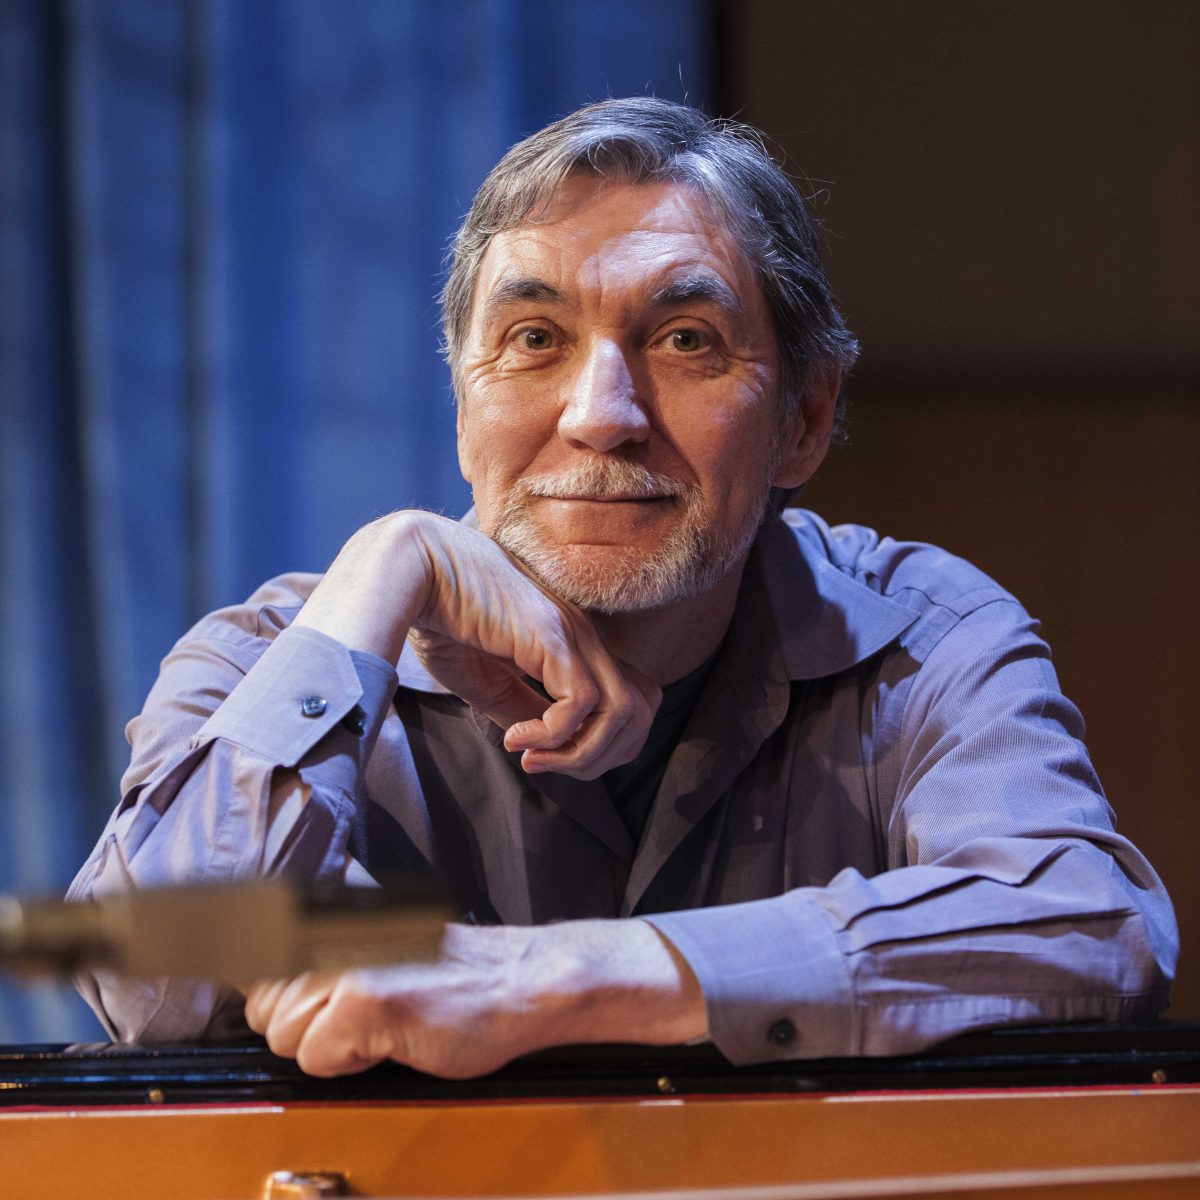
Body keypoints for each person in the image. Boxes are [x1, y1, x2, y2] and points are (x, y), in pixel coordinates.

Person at [69, 97, 1176, 1079]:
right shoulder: (280, 650)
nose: (603, 413)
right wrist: (383, 567)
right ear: (462, 408)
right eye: (534, 338)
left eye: (686, 340)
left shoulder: (923, 639)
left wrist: (558, 976)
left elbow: (1096, 935)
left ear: (804, 417)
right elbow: (142, 973)